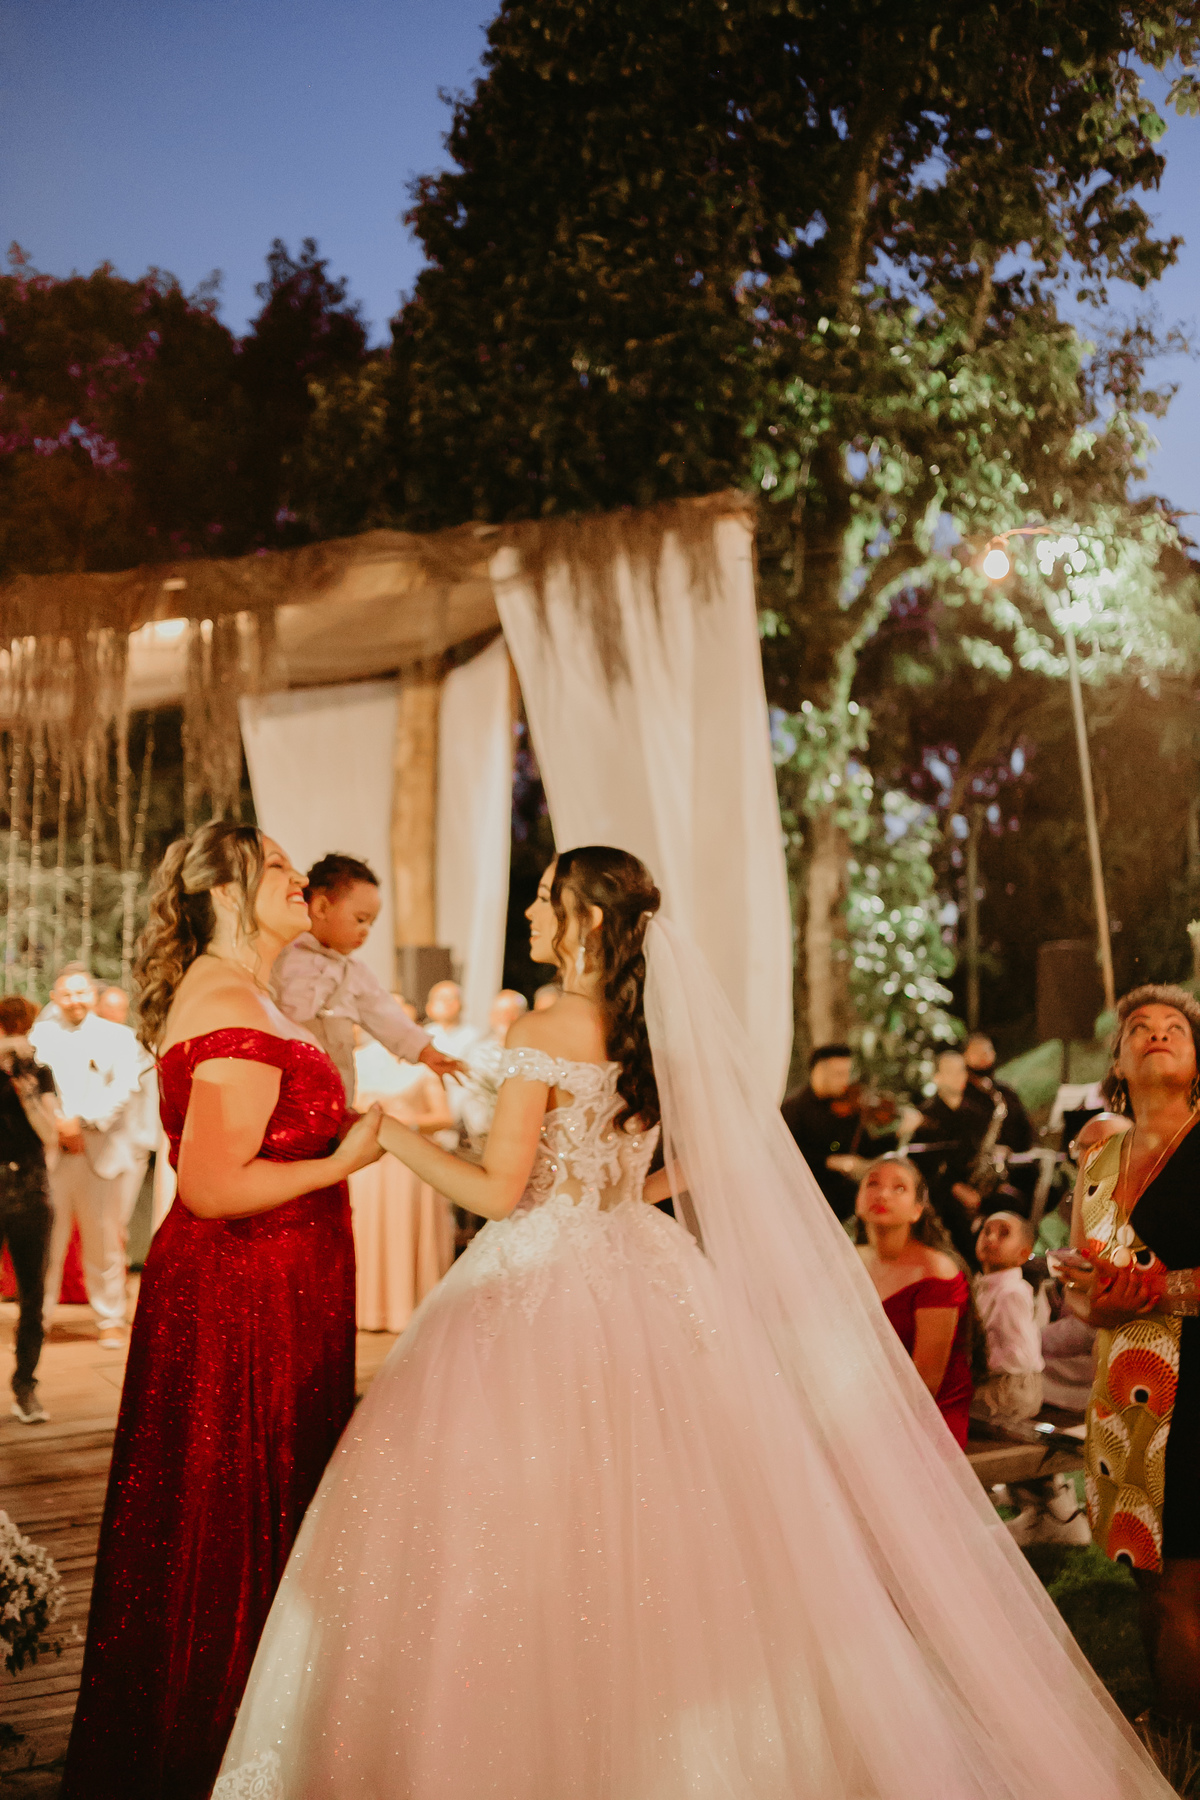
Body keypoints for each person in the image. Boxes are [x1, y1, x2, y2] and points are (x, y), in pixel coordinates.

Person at [216, 844, 1170, 1800]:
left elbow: (500, 1193)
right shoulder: (643, 1030)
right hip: (642, 1266)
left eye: (544, 899)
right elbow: (715, 1150)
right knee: (682, 1512)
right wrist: (619, 1198)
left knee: (521, 1512)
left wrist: (386, 1137)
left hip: (543, 1276)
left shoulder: (547, 1023)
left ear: (588, 919)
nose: (531, 915)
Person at [60, 822, 382, 1800]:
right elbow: (209, 1187)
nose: (298, 875)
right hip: (243, 1294)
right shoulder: (230, 1000)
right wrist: (343, 1160)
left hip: (277, 1284)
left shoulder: (250, 990)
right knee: (233, 1516)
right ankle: (220, 1746)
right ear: (223, 891)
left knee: (260, 1505)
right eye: (276, 865)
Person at [1065, 985, 1200, 1723]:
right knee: (1146, 1576)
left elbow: (1150, 1285)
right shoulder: (1098, 1159)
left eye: (1175, 1026)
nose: (1156, 1033)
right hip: (1124, 1391)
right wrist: (1097, 1303)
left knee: (1183, 1581)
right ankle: (1166, 1719)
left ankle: (1179, 1738)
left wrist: (1153, 1291)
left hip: (1196, 1384)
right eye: (1139, 1028)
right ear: (1117, 1062)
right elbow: (1084, 1292)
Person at [271, 853, 463, 1105]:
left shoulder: (355, 973)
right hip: (284, 1085)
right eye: (360, 919)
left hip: (336, 1091)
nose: (365, 931)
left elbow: (385, 1014)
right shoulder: (279, 957)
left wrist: (424, 1050)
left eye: (371, 923)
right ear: (321, 908)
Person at [30, 964, 143, 1347]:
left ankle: (110, 1318)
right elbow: (30, 1089)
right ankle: (38, 1318)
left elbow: (124, 1088)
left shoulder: (120, 1037)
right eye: (67, 993)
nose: (75, 1000)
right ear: (55, 998)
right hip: (52, 1154)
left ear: (93, 996)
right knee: (48, 1242)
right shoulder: (39, 1037)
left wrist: (83, 1123)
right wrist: (59, 1127)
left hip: (102, 1154)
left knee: (104, 1241)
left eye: (81, 993)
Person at [854, 1154, 974, 1447]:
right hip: (860, 1398)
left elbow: (925, 1382)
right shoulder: (849, 1260)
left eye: (899, 1188)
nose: (882, 1194)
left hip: (924, 1413)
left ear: (917, 1211)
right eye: (873, 1184)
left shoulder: (935, 1271)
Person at [0, 996, 58, 1423]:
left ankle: (25, 1385)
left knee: (33, 1294)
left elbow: (50, 1133)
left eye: (22, 1029)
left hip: (31, 1187)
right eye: (9, 1029)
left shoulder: (38, 1073)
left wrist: (26, 1086)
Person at [780, 1043, 899, 1220]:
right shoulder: (793, 1109)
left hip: (844, 1203)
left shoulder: (849, 1107)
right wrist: (829, 1161)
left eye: (848, 1073)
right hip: (804, 1200)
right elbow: (786, 1157)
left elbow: (865, 1148)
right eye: (839, 1074)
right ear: (819, 1071)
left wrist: (895, 1135)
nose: (846, 1080)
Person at [911, 1047, 989, 1263]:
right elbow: (922, 1168)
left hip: (975, 1185)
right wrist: (955, 1187)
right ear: (937, 1077)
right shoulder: (925, 1116)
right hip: (941, 1194)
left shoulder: (977, 1112)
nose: (959, 1077)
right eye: (951, 1071)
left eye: (962, 1070)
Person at [972, 1211, 1043, 1425]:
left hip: (1008, 1389)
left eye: (1004, 1234)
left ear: (1023, 1253)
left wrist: (975, 1362)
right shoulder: (983, 1285)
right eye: (986, 1231)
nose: (991, 1238)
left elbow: (1019, 1357)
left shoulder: (1012, 1292)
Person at [963, 1031, 1033, 1153]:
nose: (984, 1057)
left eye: (988, 1051)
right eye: (977, 1052)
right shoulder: (960, 1096)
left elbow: (1026, 1133)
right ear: (964, 1057)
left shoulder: (1006, 1093)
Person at [423, 977, 482, 1059]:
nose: (446, 1002)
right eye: (440, 998)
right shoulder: (424, 1034)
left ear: (461, 1004)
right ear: (429, 1007)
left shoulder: (474, 1036)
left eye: (451, 998)